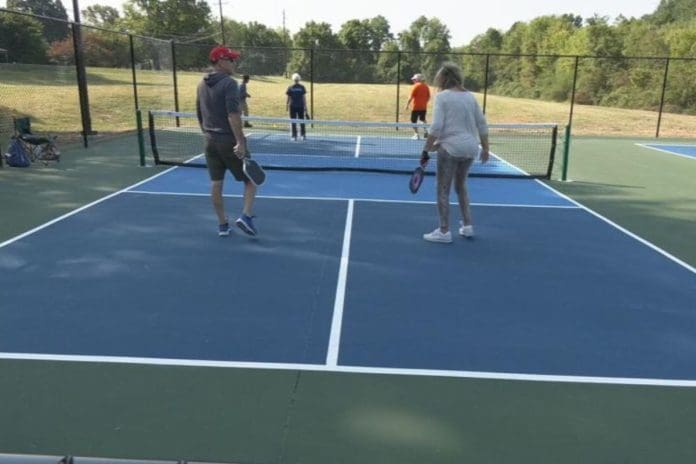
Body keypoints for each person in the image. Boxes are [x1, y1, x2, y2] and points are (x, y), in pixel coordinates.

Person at [421, 62, 490, 244]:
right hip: (470, 149)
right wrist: (486, 148)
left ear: (443, 78)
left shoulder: (443, 97)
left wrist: (426, 150)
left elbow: (436, 127)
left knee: (442, 189)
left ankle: (444, 231)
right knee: (461, 186)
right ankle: (467, 226)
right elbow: (482, 123)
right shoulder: (470, 96)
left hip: (450, 149)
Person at [196, 45, 258, 237]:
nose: (234, 62)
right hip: (228, 141)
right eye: (231, 59)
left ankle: (222, 225)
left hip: (210, 141)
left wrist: (206, 133)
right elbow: (233, 115)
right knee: (252, 180)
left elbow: (199, 113)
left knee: (216, 183)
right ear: (221, 61)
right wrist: (240, 141)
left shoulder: (200, 84)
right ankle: (246, 217)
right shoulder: (230, 83)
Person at [405, 73, 431, 140]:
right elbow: (428, 97)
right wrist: (424, 103)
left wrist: (407, 105)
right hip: (423, 107)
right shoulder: (426, 86)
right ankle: (426, 132)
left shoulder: (415, 86)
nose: (413, 81)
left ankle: (416, 134)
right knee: (423, 119)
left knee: (413, 121)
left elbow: (411, 97)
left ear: (417, 80)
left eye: (414, 79)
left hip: (416, 107)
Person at [286, 73, 307, 141]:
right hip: (297, 106)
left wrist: (287, 105)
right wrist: (305, 106)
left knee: (294, 121)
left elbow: (288, 98)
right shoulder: (301, 87)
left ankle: (295, 136)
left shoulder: (291, 87)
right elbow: (304, 98)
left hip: (295, 106)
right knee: (300, 121)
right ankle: (301, 135)